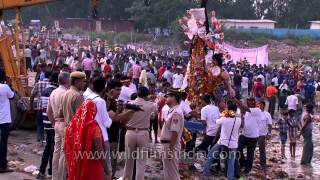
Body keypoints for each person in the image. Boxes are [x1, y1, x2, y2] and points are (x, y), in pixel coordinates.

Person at [64, 100, 109, 180]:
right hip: (92, 166)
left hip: (76, 164)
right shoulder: (93, 128)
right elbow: (99, 151)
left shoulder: (71, 126)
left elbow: (66, 148)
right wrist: (106, 169)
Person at [122, 86, 157, 180]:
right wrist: (149, 99)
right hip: (143, 133)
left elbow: (124, 119)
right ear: (146, 95)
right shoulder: (151, 105)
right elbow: (156, 112)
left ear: (137, 93)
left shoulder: (129, 104)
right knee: (141, 163)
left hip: (130, 132)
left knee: (128, 161)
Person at [105, 79, 135, 179]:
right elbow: (113, 118)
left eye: (120, 90)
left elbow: (121, 123)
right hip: (108, 137)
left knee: (113, 163)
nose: (119, 92)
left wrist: (125, 112)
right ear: (110, 90)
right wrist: (129, 111)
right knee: (108, 164)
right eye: (117, 89)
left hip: (114, 136)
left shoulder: (114, 102)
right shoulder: (106, 101)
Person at [58, 71, 86, 180]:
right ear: (77, 82)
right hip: (76, 132)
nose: (84, 84)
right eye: (83, 82)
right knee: (75, 163)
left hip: (67, 129)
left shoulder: (65, 93)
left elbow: (59, 114)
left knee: (66, 159)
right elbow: (82, 118)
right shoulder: (78, 96)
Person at [204, 102, 241, 180]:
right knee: (230, 163)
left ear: (228, 110)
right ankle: (230, 178)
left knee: (210, 156)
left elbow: (216, 121)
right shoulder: (238, 120)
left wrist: (224, 113)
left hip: (222, 143)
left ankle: (206, 174)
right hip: (233, 145)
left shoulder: (224, 119)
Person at [87, 77, 113, 177]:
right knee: (106, 168)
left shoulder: (88, 98)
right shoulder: (100, 101)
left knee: (94, 166)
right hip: (102, 136)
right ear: (104, 88)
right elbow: (107, 123)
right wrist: (111, 116)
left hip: (90, 136)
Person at [48, 72, 70, 180]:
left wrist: (53, 123)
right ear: (67, 80)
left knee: (57, 151)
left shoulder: (53, 92)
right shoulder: (66, 93)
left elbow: (48, 111)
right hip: (64, 123)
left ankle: (55, 177)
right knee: (63, 152)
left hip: (56, 123)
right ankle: (61, 177)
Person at [37, 72, 59, 179]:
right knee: (53, 148)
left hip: (46, 122)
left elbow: (42, 108)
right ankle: (50, 171)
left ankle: (41, 171)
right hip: (53, 122)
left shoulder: (44, 91)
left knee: (48, 146)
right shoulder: (55, 92)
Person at [160, 88, 184, 180]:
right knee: (168, 173)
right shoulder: (172, 111)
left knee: (172, 174)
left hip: (170, 145)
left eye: (167, 96)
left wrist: (170, 150)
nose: (165, 98)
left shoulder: (176, 112)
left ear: (174, 97)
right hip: (168, 144)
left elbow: (175, 133)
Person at [236, 97, 262, 174]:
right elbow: (243, 122)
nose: (247, 103)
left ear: (254, 102)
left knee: (250, 153)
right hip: (244, 134)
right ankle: (243, 162)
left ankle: (248, 168)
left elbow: (244, 108)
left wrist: (236, 100)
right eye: (247, 102)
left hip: (253, 137)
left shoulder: (257, 110)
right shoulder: (247, 111)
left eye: (249, 102)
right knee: (238, 148)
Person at [30, 71, 51, 144]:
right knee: (49, 124)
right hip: (49, 108)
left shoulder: (38, 84)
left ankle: (40, 138)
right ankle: (48, 139)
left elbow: (32, 95)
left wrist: (31, 106)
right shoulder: (51, 85)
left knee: (40, 124)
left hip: (40, 107)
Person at [0, 72, 15, 173]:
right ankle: (2, 166)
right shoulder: (5, 87)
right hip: (4, 119)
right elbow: (12, 96)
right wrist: (10, 84)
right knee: (3, 143)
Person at [258, 101, 272, 170]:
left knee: (262, 149)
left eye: (260, 105)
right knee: (251, 149)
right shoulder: (256, 113)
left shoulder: (267, 114)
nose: (259, 106)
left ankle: (263, 164)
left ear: (263, 106)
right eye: (258, 105)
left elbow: (270, 125)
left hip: (262, 134)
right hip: (254, 133)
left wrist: (269, 133)